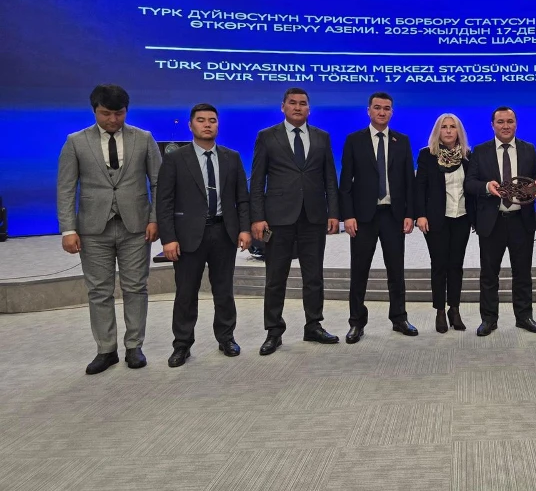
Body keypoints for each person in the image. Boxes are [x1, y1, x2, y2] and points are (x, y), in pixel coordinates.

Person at [57, 84, 161, 374]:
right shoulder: (76, 142)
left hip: (136, 227)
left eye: (119, 113)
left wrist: (155, 219)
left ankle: (134, 346)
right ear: (94, 111)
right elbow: (66, 188)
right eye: (106, 113)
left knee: (136, 287)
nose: (113, 119)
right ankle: (106, 349)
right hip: (92, 229)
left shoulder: (144, 138)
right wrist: (68, 229)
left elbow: (159, 183)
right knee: (99, 290)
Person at [156, 103, 252, 367]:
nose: (207, 124)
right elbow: (164, 201)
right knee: (186, 293)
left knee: (224, 291)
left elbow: (242, 199)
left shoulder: (232, 157)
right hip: (187, 236)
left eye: (212, 120)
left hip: (224, 232)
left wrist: (245, 229)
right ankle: (182, 344)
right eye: (201, 120)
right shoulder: (176, 159)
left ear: (218, 125)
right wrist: (168, 238)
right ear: (190, 125)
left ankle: (226, 338)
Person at [250, 87, 340, 355]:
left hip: (314, 217)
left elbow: (330, 179)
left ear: (309, 109)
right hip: (278, 219)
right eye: (292, 103)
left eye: (303, 103)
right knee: (275, 278)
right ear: (283, 107)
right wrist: (258, 217)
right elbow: (257, 181)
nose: (298, 107)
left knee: (314, 276)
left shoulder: (322, 137)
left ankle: (313, 325)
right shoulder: (267, 136)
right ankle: (273, 331)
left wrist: (333, 212)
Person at [340, 92, 418, 343]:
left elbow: (409, 181)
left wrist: (410, 213)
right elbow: (346, 183)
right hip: (363, 217)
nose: (382, 112)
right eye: (377, 107)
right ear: (369, 111)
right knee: (359, 271)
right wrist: (347, 215)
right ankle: (356, 322)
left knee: (396, 270)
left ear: (392, 112)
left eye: (386, 108)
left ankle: (399, 318)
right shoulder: (354, 140)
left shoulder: (401, 141)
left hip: (393, 216)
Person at [465, 106, 536, 336]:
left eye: (510, 121)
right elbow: (469, 183)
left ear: (516, 124)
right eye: (500, 122)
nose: (506, 126)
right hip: (493, 221)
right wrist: (486, 187)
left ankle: (524, 317)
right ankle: (489, 319)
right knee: (489, 274)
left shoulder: (529, 149)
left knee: (523, 273)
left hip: (521, 220)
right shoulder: (480, 151)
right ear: (492, 125)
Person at [415, 113, 475, 333]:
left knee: (456, 266)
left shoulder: (467, 155)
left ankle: (454, 309)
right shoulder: (427, 155)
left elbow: (472, 187)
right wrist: (420, 215)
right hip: (436, 219)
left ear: (459, 131)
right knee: (439, 265)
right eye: (444, 127)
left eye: (452, 126)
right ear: (437, 131)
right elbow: (419, 187)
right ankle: (440, 310)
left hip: (462, 217)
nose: (448, 130)